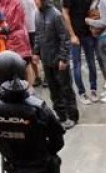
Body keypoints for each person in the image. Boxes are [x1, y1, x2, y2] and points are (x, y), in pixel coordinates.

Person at [34, 0, 79, 130]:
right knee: (54, 91)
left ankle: (72, 116)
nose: (35, 2)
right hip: (46, 60)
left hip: (59, 61)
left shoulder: (56, 15)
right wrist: (36, 52)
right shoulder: (37, 15)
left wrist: (63, 59)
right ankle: (62, 116)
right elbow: (38, 36)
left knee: (66, 89)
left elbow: (65, 38)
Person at [63, 0, 106, 104]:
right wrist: (72, 35)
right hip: (75, 35)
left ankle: (93, 90)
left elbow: (94, 8)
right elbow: (65, 13)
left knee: (91, 62)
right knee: (77, 64)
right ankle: (82, 93)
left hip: (88, 33)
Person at [0, 0, 34, 86]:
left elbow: (17, 21)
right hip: (6, 39)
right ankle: (18, 87)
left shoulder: (16, 3)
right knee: (11, 65)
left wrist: (5, 30)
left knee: (25, 63)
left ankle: (29, 88)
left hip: (18, 37)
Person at [85, 0, 106, 102]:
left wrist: (89, 21)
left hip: (105, 37)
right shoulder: (95, 2)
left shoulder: (102, 2)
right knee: (103, 65)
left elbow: (105, 21)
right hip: (100, 37)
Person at [22, 0, 42, 86]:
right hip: (25, 30)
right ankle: (37, 76)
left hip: (36, 27)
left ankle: (47, 77)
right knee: (31, 55)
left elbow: (38, 7)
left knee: (41, 53)